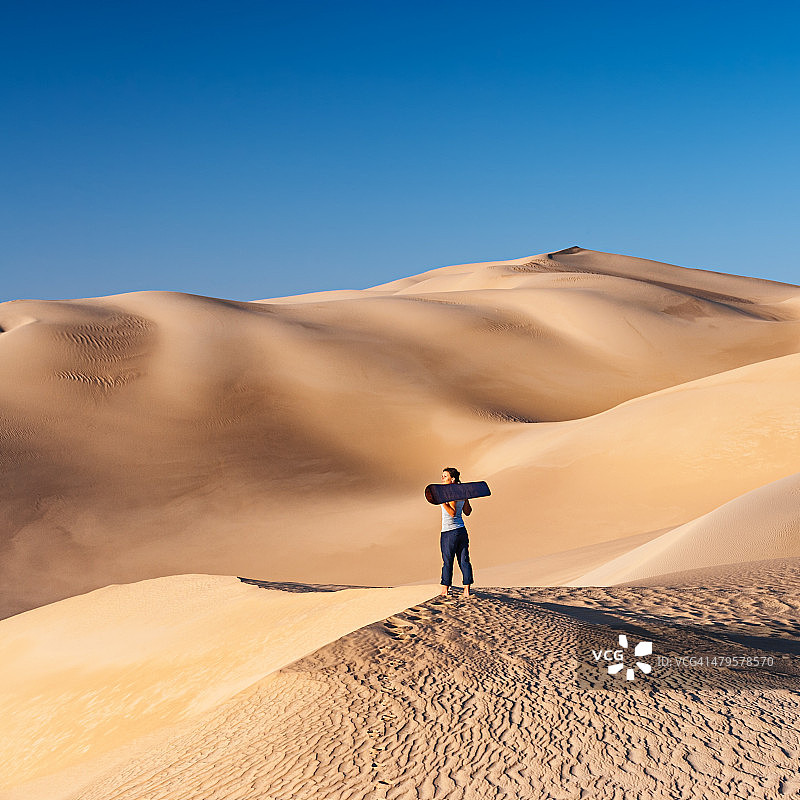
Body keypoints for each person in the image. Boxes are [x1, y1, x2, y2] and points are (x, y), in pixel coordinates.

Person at [438, 467, 474, 599]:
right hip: (461, 531)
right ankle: (467, 590)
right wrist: (465, 499)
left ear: (452, 479)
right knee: (464, 560)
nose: (442, 478)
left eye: (445, 476)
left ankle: (445, 590)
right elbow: (468, 511)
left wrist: (442, 501)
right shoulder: (462, 492)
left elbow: (452, 513)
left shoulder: (450, 493)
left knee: (447, 561)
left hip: (449, 532)